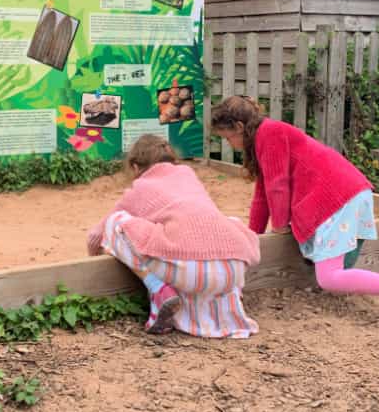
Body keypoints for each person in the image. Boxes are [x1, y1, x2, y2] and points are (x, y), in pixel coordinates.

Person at [210, 95, 379, 340]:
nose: (229, 143)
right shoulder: (265, 137)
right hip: (346, 194)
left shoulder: (270, 133)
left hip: (337, 197)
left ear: (239, 127)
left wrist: (278, 226)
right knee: (332, 271)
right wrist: (254, 238)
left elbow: (278, 186)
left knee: (330, 279)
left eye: (227, 137)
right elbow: (263, 194)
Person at [87, 135, 260, 338]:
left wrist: (93, 252)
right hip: (232, 272)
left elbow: (99, 231)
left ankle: (158, 288)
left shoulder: (141, 186)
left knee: (116, 221)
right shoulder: (188, 174)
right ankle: (227, 302)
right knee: (227, 222)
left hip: (192, 272)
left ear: (135, 166)